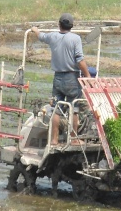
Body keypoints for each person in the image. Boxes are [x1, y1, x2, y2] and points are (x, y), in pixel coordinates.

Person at [31, 13, 91, 146]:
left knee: (57, 108)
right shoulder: (75, 38)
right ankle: (74, 138)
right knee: (74, 107)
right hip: (71, 78)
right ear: (72, 26)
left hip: (57, 77)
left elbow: (41, 36)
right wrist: (87, 75)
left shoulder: (52, 36)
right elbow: (79, 60)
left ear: (59, 25)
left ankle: (54, 140)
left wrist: (35, 30)